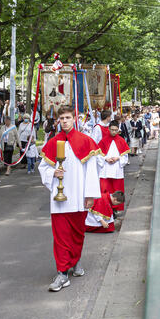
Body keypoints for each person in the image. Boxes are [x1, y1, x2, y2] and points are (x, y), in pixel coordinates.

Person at [38, 105, 101, 292]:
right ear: (58, 120)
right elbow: (43, 167)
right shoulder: (52, 143)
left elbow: (92, 171)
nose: (64, 121)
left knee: (77, 234)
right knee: (60, 237)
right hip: (59, 200)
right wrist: (53, 173)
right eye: (62, 118)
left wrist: (90, 195)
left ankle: (75, 260)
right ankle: (62, 273)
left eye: (67, 117)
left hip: (80, 196)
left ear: (74, 119)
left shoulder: (85, 141)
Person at [97, 121, 129, 213]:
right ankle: (104, 207)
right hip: (105, 170)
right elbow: (98, 155)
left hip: (116, 169)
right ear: (109, 129)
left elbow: (125, 156)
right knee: (105, 189)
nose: (114, 132)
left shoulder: (121, 140)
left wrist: (118, 158)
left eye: (116, 130)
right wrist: (106, 159)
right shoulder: (103, 140)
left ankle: (116, 209)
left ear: (118, 130)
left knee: (117, 189)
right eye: (112, 130)